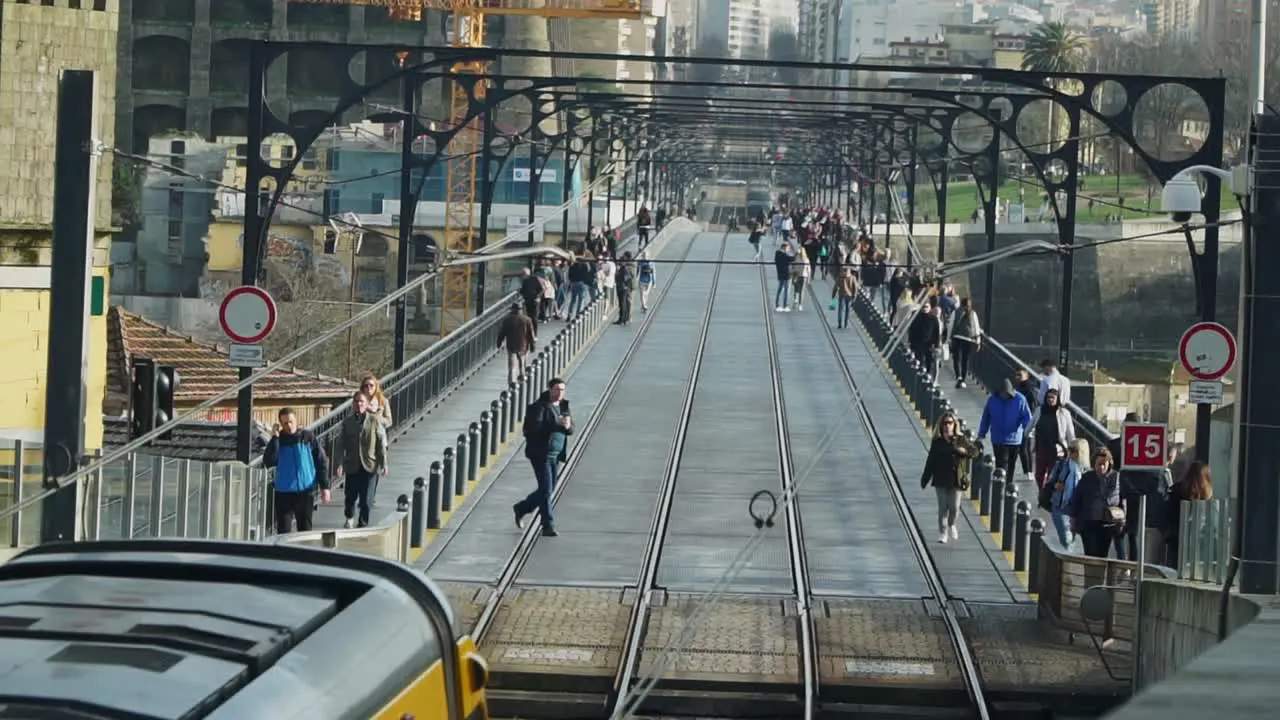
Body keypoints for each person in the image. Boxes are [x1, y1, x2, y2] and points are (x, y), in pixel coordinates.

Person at [514, 377, 572, 537]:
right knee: (546, 489)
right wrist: (556, 424)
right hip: (541, 454)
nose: (559, 393)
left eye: (562, 390)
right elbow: (533, 428)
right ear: (549, 389)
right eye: (556, 390)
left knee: (549, 488)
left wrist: (568, 426)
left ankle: (522, 508)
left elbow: (571, 428)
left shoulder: (564, 406)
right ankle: (547, 524)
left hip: (556, 453)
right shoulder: (538, 407)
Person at [262, 407, 330, 534]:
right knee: (284, 531)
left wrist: (325, 486)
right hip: (284, 491)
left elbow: (321, 461)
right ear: (280, 424)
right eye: (285, 423)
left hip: (305, 490)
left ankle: (305, 553)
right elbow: (269, 461)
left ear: (296, 420)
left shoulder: (307, 437)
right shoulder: (279, 441)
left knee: (305, 530)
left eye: (291, 421)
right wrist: (275, 438)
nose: (289, 425)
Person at [920, 411, 980, 544]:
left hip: (956, 479)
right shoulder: (937, 442)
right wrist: (925, 478)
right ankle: (942, 533)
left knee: (954, 507)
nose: (947, 426)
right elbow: (931, 460)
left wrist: (965, 452)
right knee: (942, 507)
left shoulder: (960, 439)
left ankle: (952, 524)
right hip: (940, 478)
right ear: (941, 425)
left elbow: (975, 452)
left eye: (950, 423)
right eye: (945, 423)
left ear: (954, 425)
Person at [333, 393, 389, 529]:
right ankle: (349, 517)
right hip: (352, 464)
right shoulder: (347, 422)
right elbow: (340, 444)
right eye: (356, 402)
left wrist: (384, 463)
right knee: (350, 497)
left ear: (367, 404)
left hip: (370, 465)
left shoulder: (374, 421)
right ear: (353, 404)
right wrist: (339, 463)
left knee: (366, 499)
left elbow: (380, 443)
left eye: (362, 402)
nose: (359, 404)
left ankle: (363, 524)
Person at [1068, 447, 1126, 559]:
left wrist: (1122, 521)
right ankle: (1090, 576)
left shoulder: (1116, 477)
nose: (1102, 467)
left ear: (1110, 463)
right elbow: (1077, 498)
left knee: (1102, 556)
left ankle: (1099, 576)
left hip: (1107, 523)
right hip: (1089, 522)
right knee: (1090, 555)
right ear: (1094, 463)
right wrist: (1073, 519)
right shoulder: (1087, 478)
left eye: (1104, 464)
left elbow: (1122, 499)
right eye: (1099, 464)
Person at [976, 378, 1033, 484]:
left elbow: (1026, 417)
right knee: (1001, 464)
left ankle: (1007, 485)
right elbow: (986, 418)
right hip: (998, 439)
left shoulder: (1020, 399)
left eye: (1006, 393)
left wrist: (1027, 430)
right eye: (1002, 393)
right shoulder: (992, 400)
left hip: (1014, 439)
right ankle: (1001, 485)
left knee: (1011, 465)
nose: (1004, 396)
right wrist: (981, 434)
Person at [1046, 438, 1087, 551]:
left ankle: (1068, 559)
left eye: (1073, 450)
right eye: (1069, 449)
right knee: (1066, 538)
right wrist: (1055, 485)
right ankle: (1066, 559)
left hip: (1076, 509)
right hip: (1060, 506)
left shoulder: (1086, 470)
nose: (1070, 452)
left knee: (1071, 539)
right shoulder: (1062, 464)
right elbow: (1050, 481)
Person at [1032, 387, 1076, 488]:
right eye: (1048, 397)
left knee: (1053, 474)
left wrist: (1072, 447)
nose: (1050, 400)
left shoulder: (1064, 413)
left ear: (1057, 399)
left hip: (1057, 449)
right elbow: (1031, 425)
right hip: (1041, 447)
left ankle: (1049, 496)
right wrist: (1027, 434)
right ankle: (1041, 493)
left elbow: (1070, 433)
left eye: (1053, 398)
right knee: (1039, 474)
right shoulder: (1040, 410)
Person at [498, 302, 536, 385]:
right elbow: (531, 334)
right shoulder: (527, 319)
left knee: (511, 367)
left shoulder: (507, 319)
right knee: (522, 365)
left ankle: (511, 383)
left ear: (512, 309)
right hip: (523, 346)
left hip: (511, 346)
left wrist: (499, 342)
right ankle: (521, 382)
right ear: (521, 310)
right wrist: (533, 345)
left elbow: (502, 332)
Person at [615, 251, 636, 325]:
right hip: (623, 286)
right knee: (623, 303)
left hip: (626, 287)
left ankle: (626, 318)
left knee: (626, 303)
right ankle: (623, 318)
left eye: (623, 257)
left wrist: (623, 266)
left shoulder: (630, 266)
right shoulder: (625, 265)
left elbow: (630, 276)